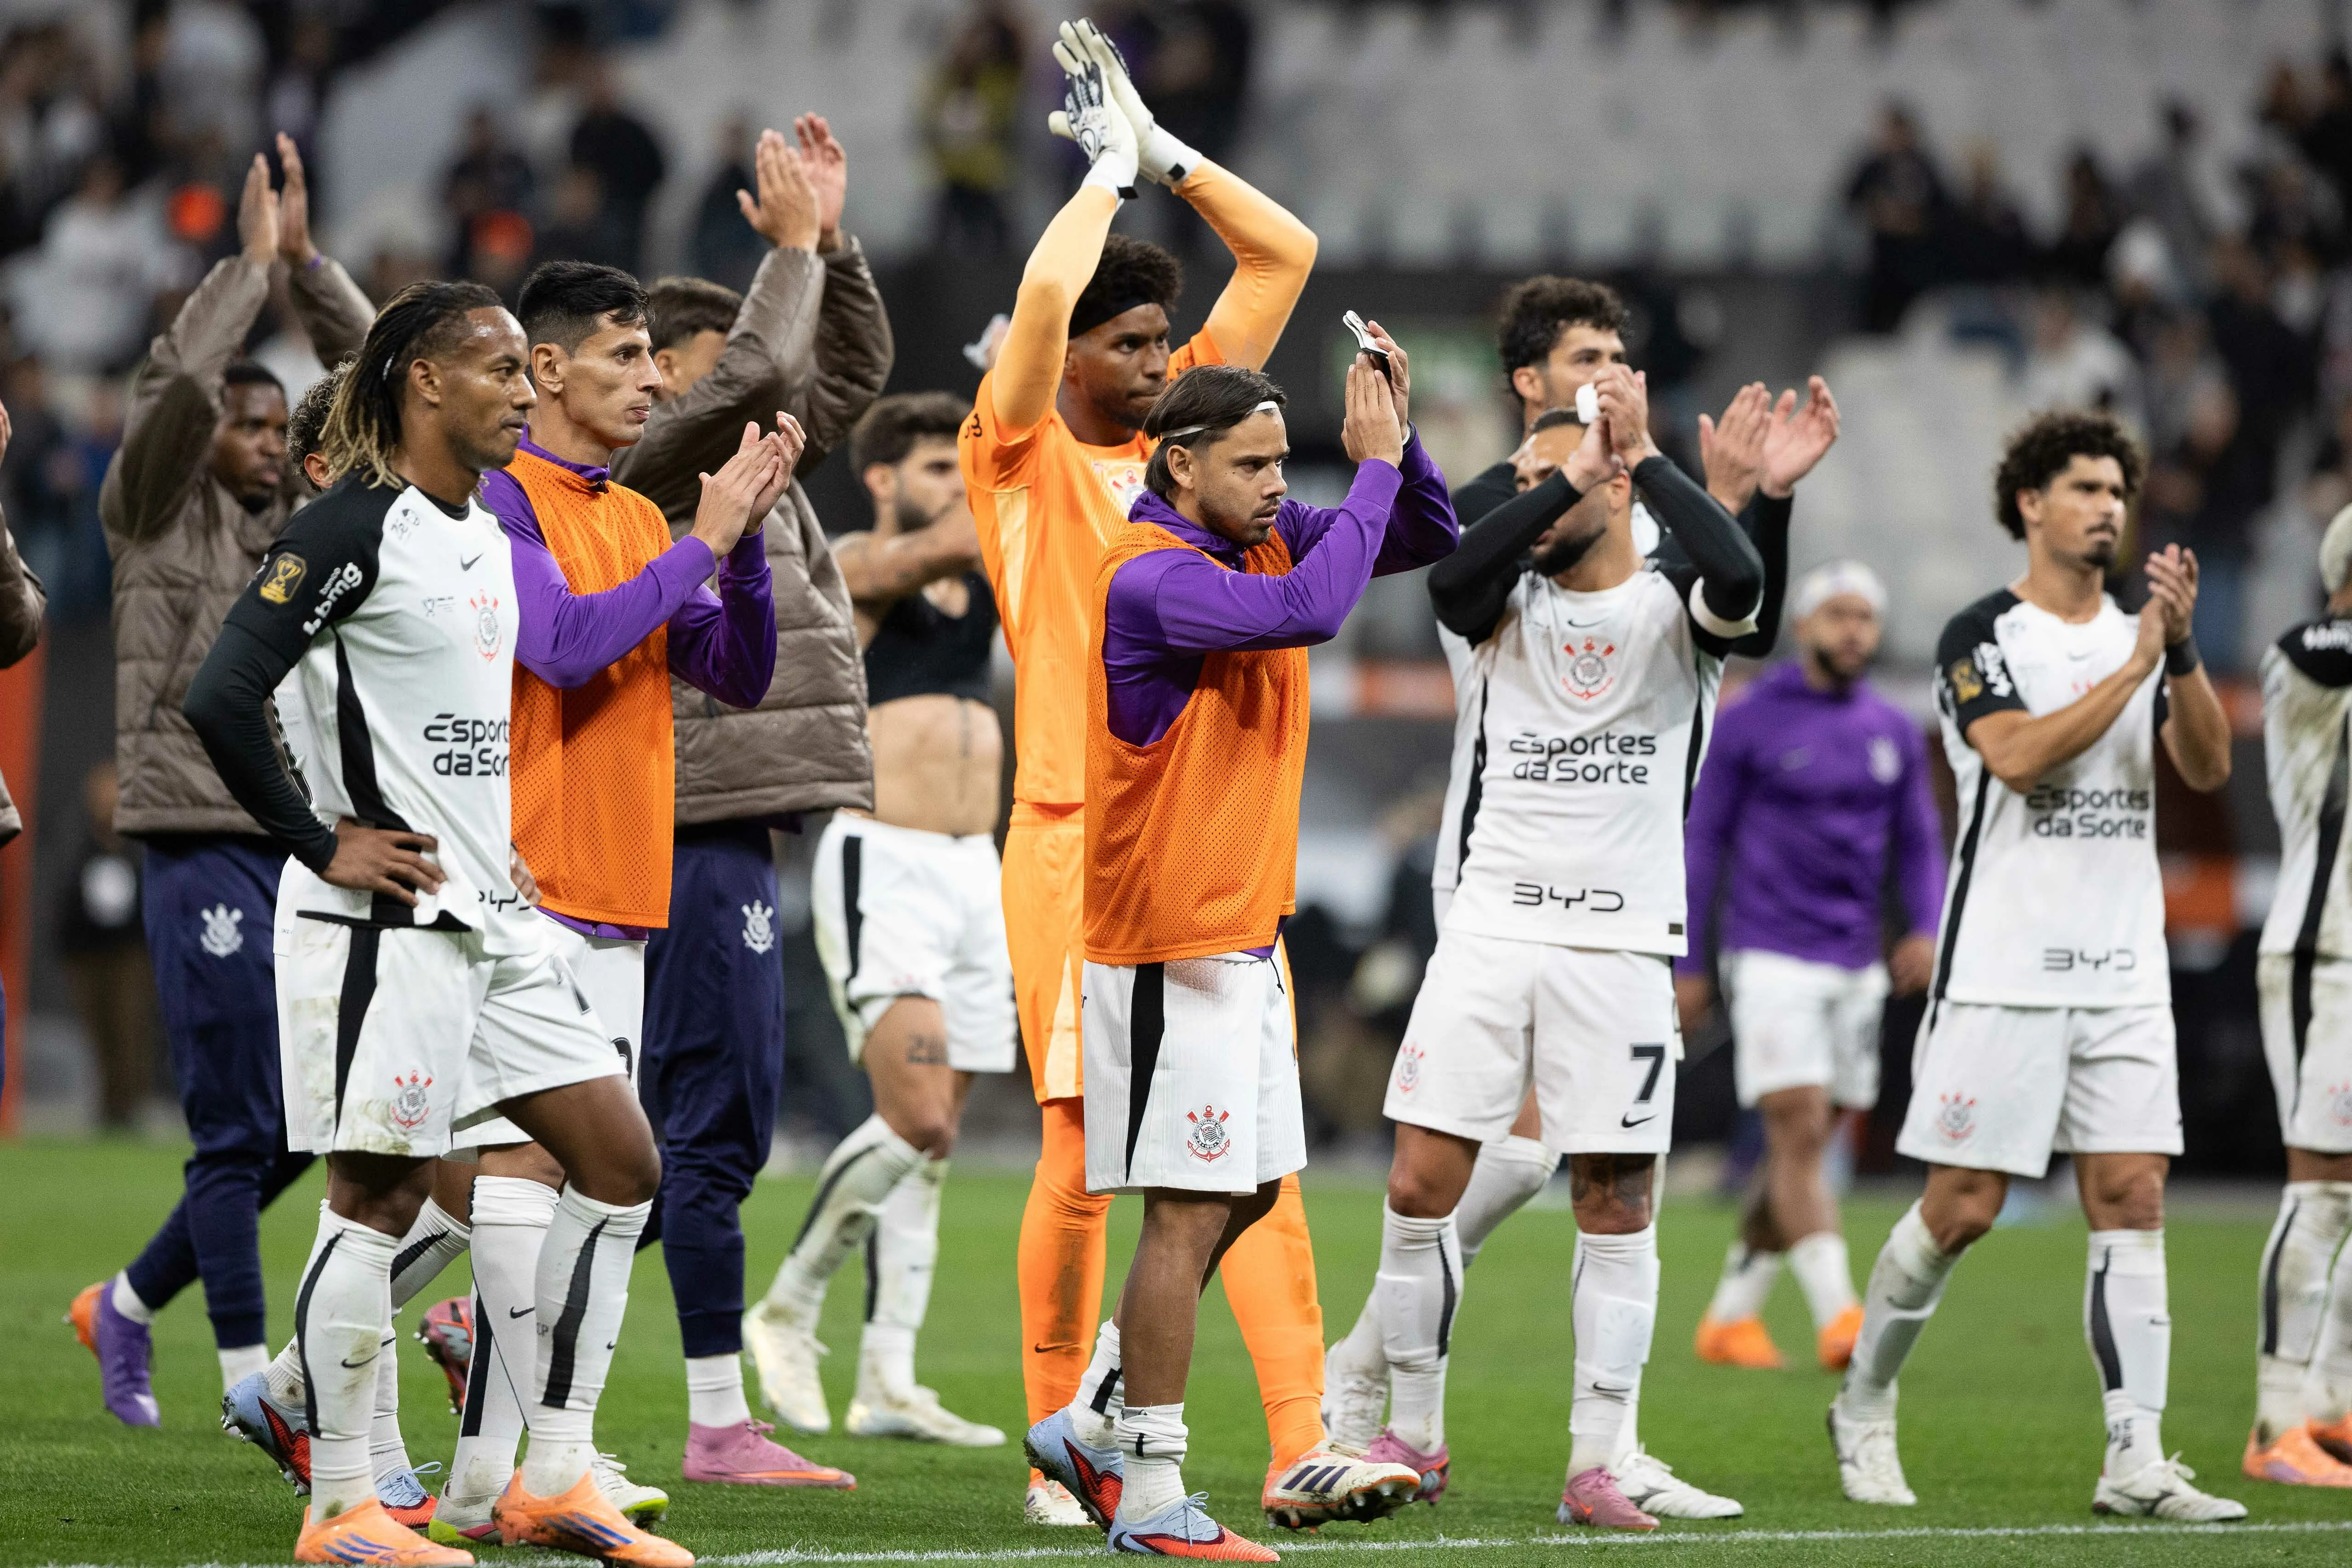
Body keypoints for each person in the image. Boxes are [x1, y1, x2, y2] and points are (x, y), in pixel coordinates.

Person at [181, 279, 726, 1568]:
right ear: (423, 380)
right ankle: (341, 1512)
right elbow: (220, 694)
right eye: (498, 372)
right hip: (385, 924)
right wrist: (324, 840)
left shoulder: (482, 533)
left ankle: (550, 1475)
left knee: (623, 1165)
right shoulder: (346, 528)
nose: (524, 394)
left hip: (498, 922)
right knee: (371, 1197)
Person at [962, 24, 1373, 1530]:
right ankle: (1063, 1438)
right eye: (1128, 347)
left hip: (1207, 829)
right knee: (1091, 1150)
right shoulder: (1012, 452)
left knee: (1246, 1158)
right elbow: (1047, 295)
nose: (1151, 365)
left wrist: (1169, 160)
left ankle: (1292, 1435)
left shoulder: (1187, 454)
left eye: (1164, 348)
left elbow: (1291, 250)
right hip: (1073, 832)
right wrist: (1096, 177)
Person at [1342, 364, 1788, 1532]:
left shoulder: (1677, 612)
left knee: (1613, 1196)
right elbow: (1447, 577)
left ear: (1623, 490)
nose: (1529, 495)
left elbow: (1744, 574)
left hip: (1621, 945)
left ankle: (1598, 1460)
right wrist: (1569, 477)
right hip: (1489, 928)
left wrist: (1643, 465)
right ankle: (1415, 1433)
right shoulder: (1501, 605)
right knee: (1417, 1183)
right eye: (1526, 480)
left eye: (1551, 479)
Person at [1026, 353, 1451, 1558]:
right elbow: (1318, 609)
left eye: (1283, 462)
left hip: (1240, 942)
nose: (1280, 485)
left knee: (1248, 1187)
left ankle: (1091, 1418)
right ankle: (1151, 1495)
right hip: (1166, 944)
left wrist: (1397, 442)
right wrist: (1363, 474)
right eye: (1256, 464)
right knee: (1187, 1208)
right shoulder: (1153, 576)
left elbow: (1425, 527)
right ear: (1180, 463)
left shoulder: (1252, 536)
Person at [423, 258, 821, 1534]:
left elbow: (736, 672)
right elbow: (564, 645)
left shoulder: (640, 521)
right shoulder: (504, 506)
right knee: (567, 1177)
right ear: (546, 372)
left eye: (655, 356)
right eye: (627, 355)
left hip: (623, 895)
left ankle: (495, 1477)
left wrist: (740, 548)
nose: (655, 378)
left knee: (570, 1190)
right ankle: (538, 1458)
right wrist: (704, 537)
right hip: (528, 888)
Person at [1827, 409, 2242, 1522]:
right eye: (2086, 489)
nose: (2109, 506)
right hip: (2004, 963)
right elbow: (2012, 757)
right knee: (1961, 1206)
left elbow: (2205, 763)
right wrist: (2137, 665)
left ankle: (2135, 1460)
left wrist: (2181, 653)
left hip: (2122, 967)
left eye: (2118, 490)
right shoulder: (1982, 633)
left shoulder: (2144, 637)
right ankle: (1862, 1403)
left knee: (2132, 1194)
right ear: (2030, 505)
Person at [69, 136, 372, 1425]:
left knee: (315, 1123)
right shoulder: (150, 512)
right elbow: (179, 376)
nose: (259, 440)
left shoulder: (303, 535)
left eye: (273, 426)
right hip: (196, 836)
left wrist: (309, 267)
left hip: (300, 843)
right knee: (237, 1127)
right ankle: (253, 1384)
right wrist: (247, 267)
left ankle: (127, 1303)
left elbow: (382, 383)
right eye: (240, 426)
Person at [611, 114, 886, 1458]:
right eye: (718, 367)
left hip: (730, 809)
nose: (759, 390)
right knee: (704, 1125)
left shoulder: (745, 447)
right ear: (658, 374)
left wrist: (827, 243)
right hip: (693, 810)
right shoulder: (654, 460)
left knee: (667, 1132)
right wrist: (788, 251)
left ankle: (465, 1303)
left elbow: (839, 367)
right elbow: (776, 364)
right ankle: (715, 1418)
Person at [749, 392, 1009, 1448]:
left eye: (964, 467)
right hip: (884, 860)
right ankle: (787, 1306)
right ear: (883, 480)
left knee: (934, 1148)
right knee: (918, 1119)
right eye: (934, 468)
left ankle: (888, 1380)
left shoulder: (977, 572)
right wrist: (1014, 436)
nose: (956, 485)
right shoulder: (854, 561)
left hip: (975, 869)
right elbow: (974, 527)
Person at [1682, 561, 1945, 1373]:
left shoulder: (1894, 729)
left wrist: (1928, 927)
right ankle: (1843, 1318)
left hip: (1858, 962)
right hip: (1770, 955)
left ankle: (1731, 1317)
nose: (1853, 630)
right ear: (1803, 625)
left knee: (1801, 1147)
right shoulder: (1750, 720)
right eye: (1837, 615)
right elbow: (1702, 841)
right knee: (1798, 1131)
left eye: (1865, 617)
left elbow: (1921, 841)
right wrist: (1691, 959)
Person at [2245, 502, 2352, 1487]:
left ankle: (2333, 1405)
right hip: (2329, 955)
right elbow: (2321, 644)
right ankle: (2275, 1421)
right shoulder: (2313, 651)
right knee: (2321, 1190)